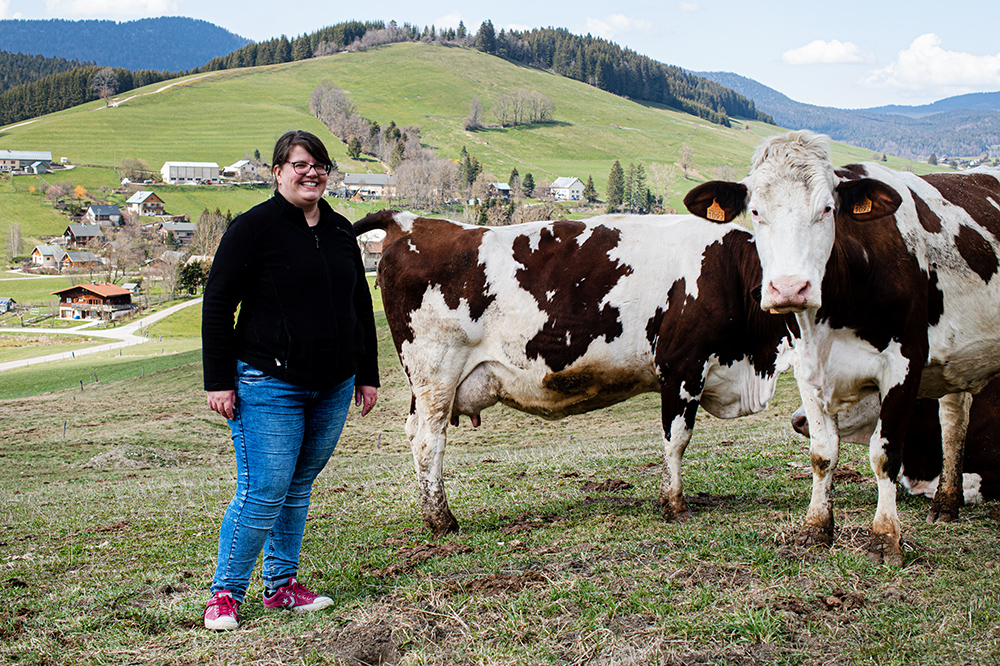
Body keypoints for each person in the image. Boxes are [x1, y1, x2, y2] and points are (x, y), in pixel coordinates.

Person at [200, 129, 379, 631]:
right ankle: (225, 595)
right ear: (277, 172)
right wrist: (219, 380)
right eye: (299, 164)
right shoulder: (252, 229)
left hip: (334, 384)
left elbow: (358, 305)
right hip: (268, 383)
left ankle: (281, 588)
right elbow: (217, 306)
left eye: (318, 164)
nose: (311, 173)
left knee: (298, 487)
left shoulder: (342, 230)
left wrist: (366, 373)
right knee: (264, 489)